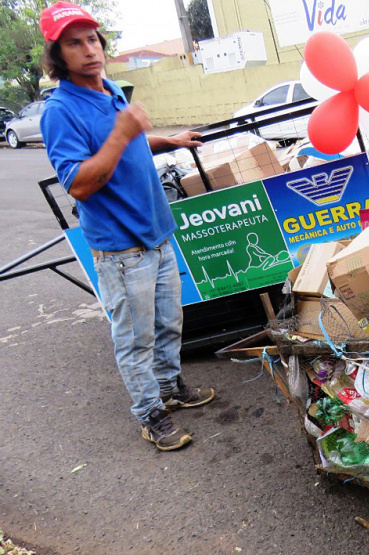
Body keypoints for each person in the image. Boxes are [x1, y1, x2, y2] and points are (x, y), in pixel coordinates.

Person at [38, 2, 215, 451]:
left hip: (156, 232)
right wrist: (122, 131)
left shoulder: (110, 88)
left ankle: (171, 389)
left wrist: (167, 140)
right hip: (120, 248)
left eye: (92, 39)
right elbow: (78, 184)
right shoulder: (60, 111)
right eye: (74, 43)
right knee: (134, 339)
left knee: (169, 323)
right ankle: (150, 414)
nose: (89, 50)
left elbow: (131, 140)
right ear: (58, 55)